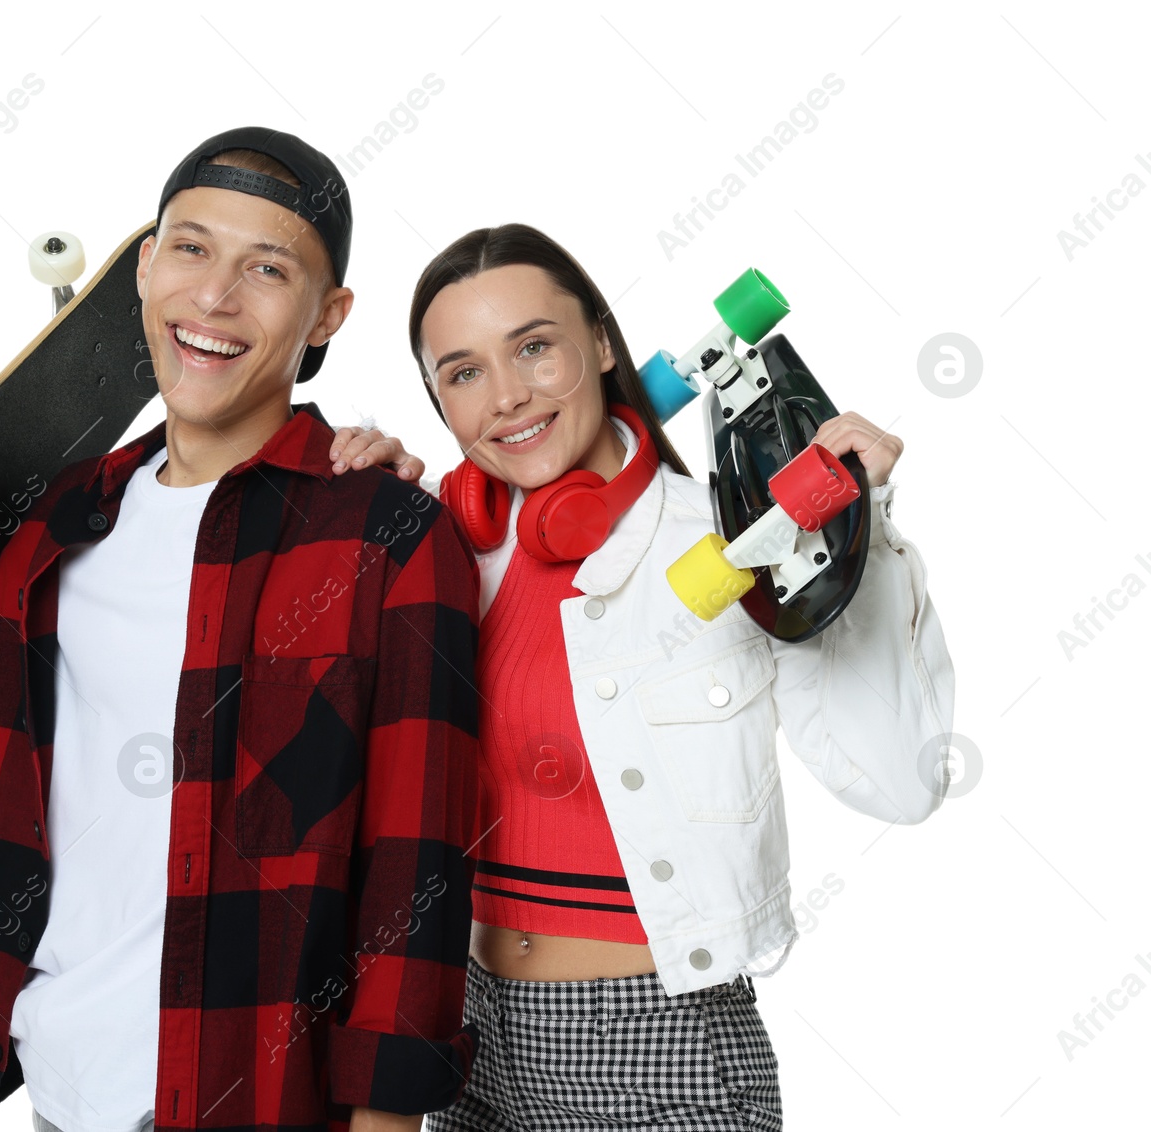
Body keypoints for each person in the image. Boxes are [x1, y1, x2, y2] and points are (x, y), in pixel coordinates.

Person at [0, 127, 478, 1132]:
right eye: (189, 248)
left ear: (328, 316)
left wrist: (388, 1120)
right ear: (142, 267)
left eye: (267, 269)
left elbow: (417, 865)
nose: (214, 298)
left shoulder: (386, 533)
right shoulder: (51, 522)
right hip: (53, 1093)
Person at [385, 223, 954, 1130]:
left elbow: (901, 781)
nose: (506, 397)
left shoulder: (739, 541)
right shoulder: (444, 558)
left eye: (535, 348)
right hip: (470, 1037)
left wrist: (863, 540)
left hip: (661, 1049)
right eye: (463, 372)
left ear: (602, 345)